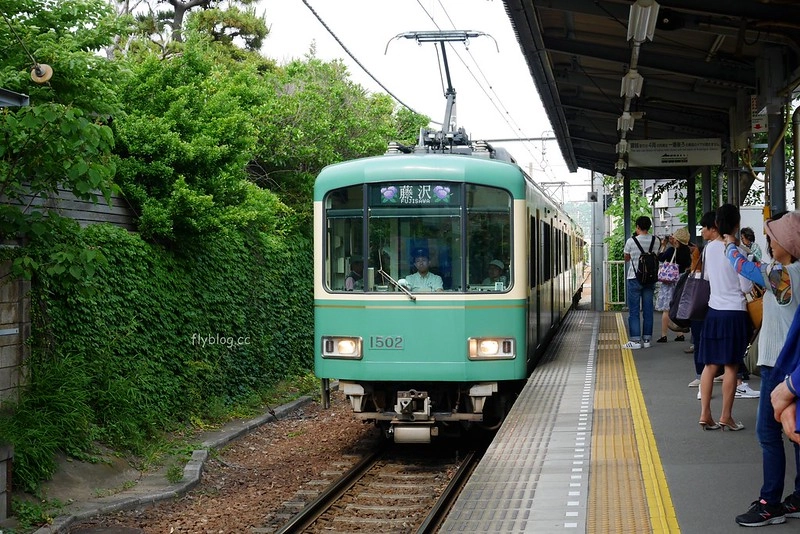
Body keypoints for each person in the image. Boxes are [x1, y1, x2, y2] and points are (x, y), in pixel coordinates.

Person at [725, 210, 800, 526]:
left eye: (773, 237)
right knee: (795, 430)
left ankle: (770, 503)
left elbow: (746, 268)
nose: (768, 242)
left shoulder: (786, 274)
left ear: (788, 243)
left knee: (768, 433)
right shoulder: (790, 272)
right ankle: (798, 497)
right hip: (793, 363)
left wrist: (730, 246)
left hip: (779, 365)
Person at [698, 204, 753, 431]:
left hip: (714, 311)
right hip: (734, 313)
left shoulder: (709, 249)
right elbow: (746, 286)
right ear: (736, 225)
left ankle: (705, 414)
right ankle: (726, 416)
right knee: (730, 366)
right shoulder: (738, 252)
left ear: (717, 224)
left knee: (710, 365)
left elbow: (707, 277)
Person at [622, 215, 660, 349]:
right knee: (648, 310)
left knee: (634, 310)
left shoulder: (631, 241)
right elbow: (656, 255)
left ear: (637, 227)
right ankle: (647, 340)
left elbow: (626, 258)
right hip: (650, 278)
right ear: (649, 227)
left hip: (634, 278)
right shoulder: (656, 240)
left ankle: (635, 341)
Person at [655, 227, 692, 343]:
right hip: (681, 279)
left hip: (670, 280)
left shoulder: (671, 250)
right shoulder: (687, 251)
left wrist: (663, 245)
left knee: (667, 309)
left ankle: (663, 335)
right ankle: (680, 334)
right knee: (677, 307)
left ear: (676, 239)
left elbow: (660, 257)